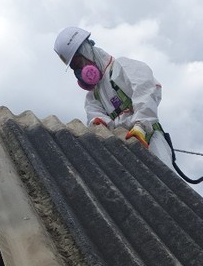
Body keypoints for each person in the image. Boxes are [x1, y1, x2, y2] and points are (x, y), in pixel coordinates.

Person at [53, 26, 174, 167]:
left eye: (79, 63)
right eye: (75, 68)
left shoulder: (122, 67)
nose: (80, 71)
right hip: (126, 148)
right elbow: (96, 123)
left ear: (87, 51)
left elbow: (147, 91)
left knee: (164, 175)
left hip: (150, 138)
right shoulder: (94, 97)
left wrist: (141, 125)